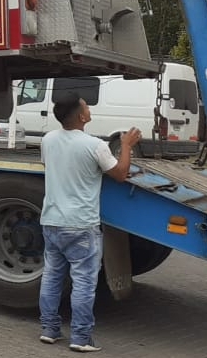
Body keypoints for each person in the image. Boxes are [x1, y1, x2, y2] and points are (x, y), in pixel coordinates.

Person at [37, 91, 141, 352]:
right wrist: (126, 146)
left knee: (51, 277)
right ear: (82, 116)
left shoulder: (48, 140)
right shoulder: (95, 145)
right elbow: (120, 174)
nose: (89, 109)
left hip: (51, 220)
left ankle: (49, 330)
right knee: (83, 282)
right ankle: (81, 338)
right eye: (87, 107)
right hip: (81, 225)